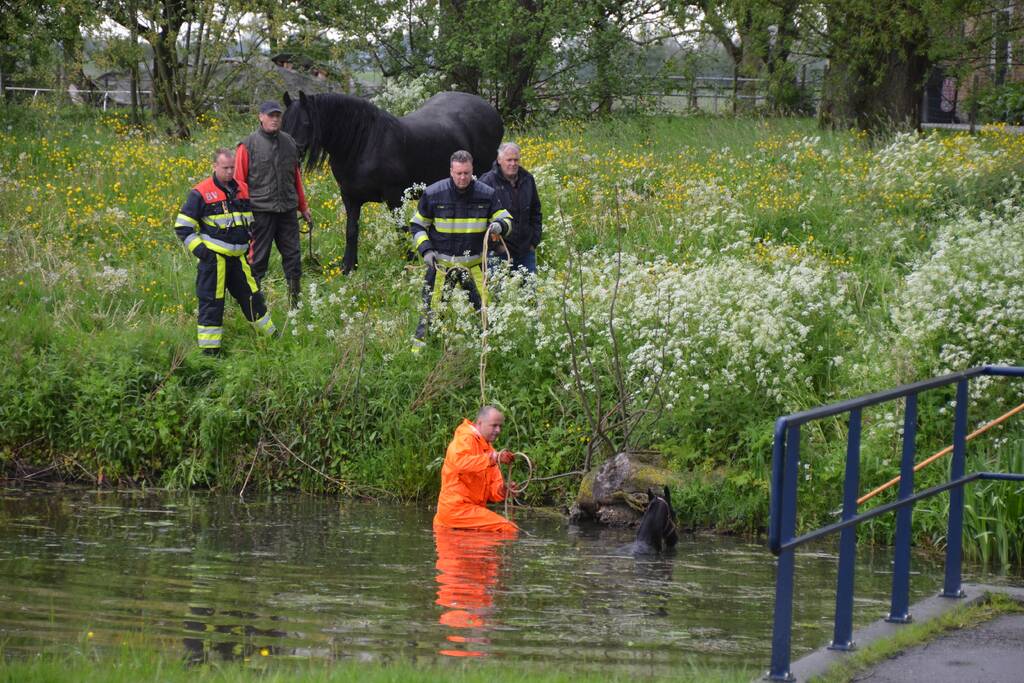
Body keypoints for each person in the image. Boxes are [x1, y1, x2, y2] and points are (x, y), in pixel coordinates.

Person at [174, 148, 278, 354]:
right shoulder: (201, 192)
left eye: (232, 167)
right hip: (214, 261)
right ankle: (210, 354)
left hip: (239, 259)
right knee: (212, 304)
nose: (230, 172)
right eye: (225, 168)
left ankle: (274, 339)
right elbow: (182, 226)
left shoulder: (243, 189)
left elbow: (251, 222)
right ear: (214, 166)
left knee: (253, 298)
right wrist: (203, 252)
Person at [409, 150, 512, 346]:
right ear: (451, 171)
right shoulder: (433, 193)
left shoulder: (486, 194)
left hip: (474, 268)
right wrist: (426, 250)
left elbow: (506, 218)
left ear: (472, 170)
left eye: (467, 173)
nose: (463, 177)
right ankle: (419, 355)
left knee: (486, 312)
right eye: (459, 173)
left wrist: (500, 225)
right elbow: (417, 225)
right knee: (429, 314)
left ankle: (492, 350)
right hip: (441, 268)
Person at [234, 100, 312, 308]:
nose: (275, 119)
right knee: (257, 262)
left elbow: (295, 178)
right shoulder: (247, 145)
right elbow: (239, 181)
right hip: (260, 213)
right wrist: (243, 212)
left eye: (278, 115)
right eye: (271, 115)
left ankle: (295, 306)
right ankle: (253, 305)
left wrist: (303, 207)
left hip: (287, 211)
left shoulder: (289, 142)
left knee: (294, 259)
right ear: (261, 117)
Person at [434, 405, 519, 533]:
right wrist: (493, 458)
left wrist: (503, 489)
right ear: (480, 423)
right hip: (456, 511)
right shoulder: (465, 439)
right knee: (508, 529)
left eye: (500, 426)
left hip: (465, 515)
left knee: (494, 541)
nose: (498, 430)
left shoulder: (489, 451)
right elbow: (459, 464)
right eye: (494, 425)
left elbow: (492, 491)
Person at [478, 142, 542, 275]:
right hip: (498, 253)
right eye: (509, 160)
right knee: (501, 295)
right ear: (499, 160)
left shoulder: (528, 179)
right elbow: (479, 218)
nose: (513, 164)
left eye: (516, 160)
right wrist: (496, 247)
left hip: (526, 251)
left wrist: (533, 242)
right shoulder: (486, 182)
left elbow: (536, 212)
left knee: (529, 294)